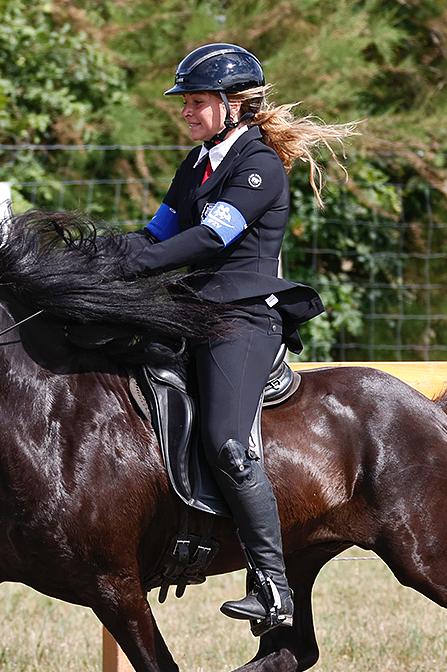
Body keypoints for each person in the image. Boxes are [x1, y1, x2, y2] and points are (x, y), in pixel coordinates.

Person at [122, 43, 358, 635]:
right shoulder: (195, 165)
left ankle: (273, 586)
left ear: (234, 105)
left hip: (244, 319)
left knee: (227, 443)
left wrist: (137, 265)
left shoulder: (259, 166)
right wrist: (94, 255)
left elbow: (209, 239)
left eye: (197, 102)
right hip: (192, 312)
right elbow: (155, 235)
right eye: (185, 102)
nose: (186, 111)